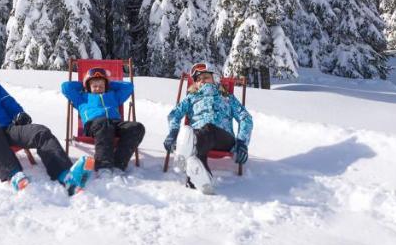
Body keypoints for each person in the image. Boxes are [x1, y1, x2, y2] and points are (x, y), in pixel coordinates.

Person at [0, 48, 90, 193]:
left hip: (6, 130)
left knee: (40, 131)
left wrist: (20, 115)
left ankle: (65, 175)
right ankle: (14, 174)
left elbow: (11, 106)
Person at [162, 63, 252, 194]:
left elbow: (245, 118)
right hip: (198, 139)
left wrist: (242, 141)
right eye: (198, 79)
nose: (201, 81)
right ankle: (201, 178)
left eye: (205, 77)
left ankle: (184, 152)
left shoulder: (227, 98)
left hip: (224, 138)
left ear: (214, 78)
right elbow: (174, 115)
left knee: (204, 131)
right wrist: (173, 132)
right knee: (191, 136)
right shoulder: (191, 98)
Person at [61, 66, 146, 178]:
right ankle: (103, 166)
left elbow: (129, 87)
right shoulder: (81, 98)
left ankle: (118, 164)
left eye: (101, 85)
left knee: (137, 127)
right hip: (94, 125)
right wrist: (84, 83)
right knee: (104, 123)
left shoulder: (113, 96)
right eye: (94, 86)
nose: (97, 88)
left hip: (115, 124)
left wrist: (109, 84)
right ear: (88, 86)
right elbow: (65, 87)